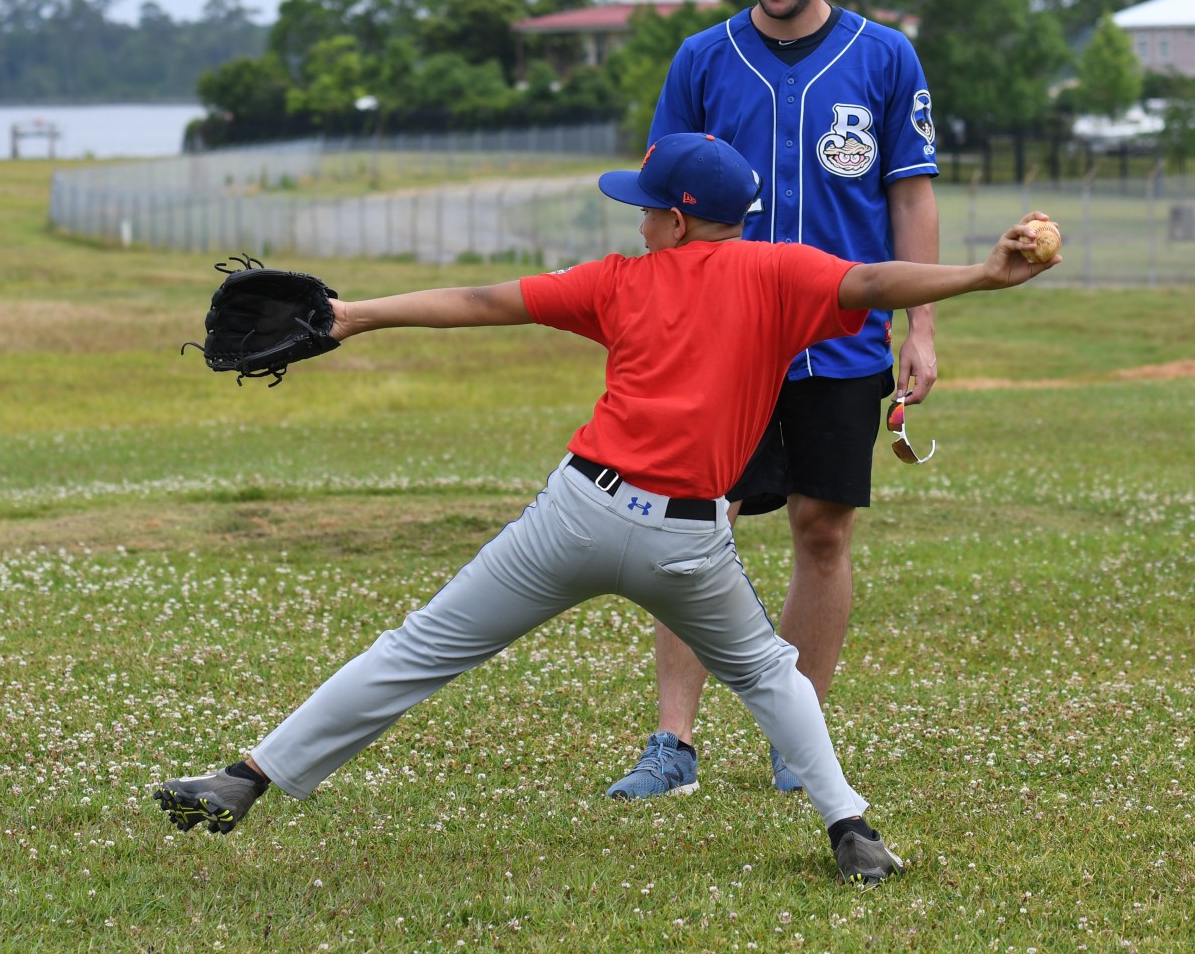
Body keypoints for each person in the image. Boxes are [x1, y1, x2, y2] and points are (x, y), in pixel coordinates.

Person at [151, 132, 1059, 884]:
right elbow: (873, 283)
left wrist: (359, 315)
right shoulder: (781, 274)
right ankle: (850, 831)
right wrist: (981, 275)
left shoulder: (618, 280)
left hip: (576, 515)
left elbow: (481, 301)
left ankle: (246, 777)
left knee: (420, 649)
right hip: (688, 543)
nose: (639, 217)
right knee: (770, 676)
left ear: (673, 218)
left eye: (646, 206)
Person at [607, 0, 943, 801]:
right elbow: (658, 195)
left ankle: (798, 741)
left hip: (838, 337)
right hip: (721, 339)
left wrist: (922, 326)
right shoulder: (702, 58)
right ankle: (673, 743)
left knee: (821, 531)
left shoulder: (884, 57)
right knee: (689, 524)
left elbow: (910, 199)